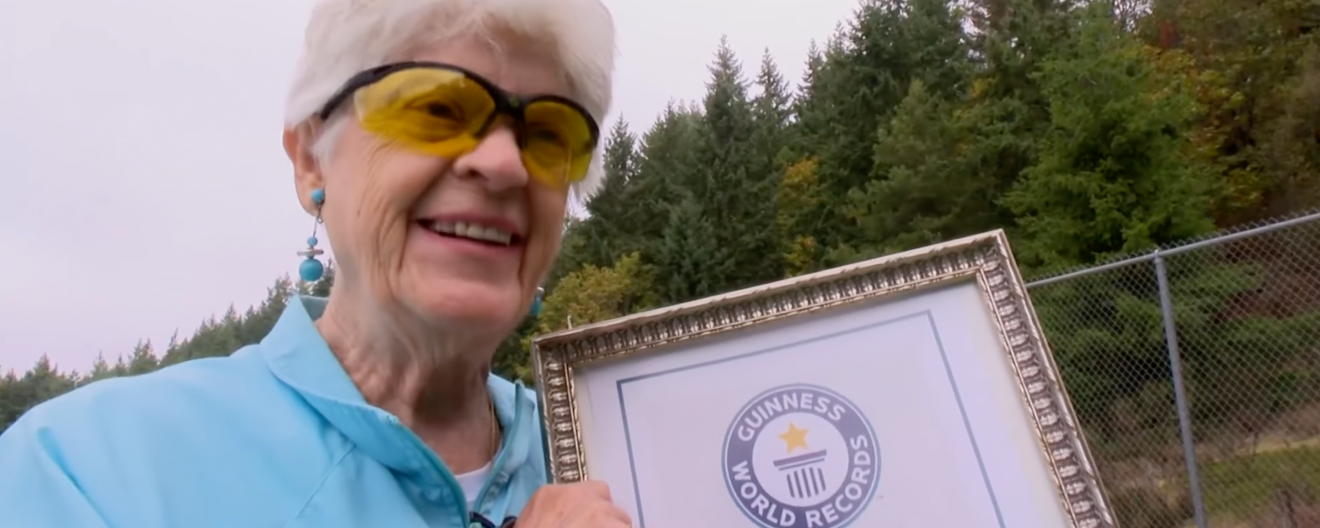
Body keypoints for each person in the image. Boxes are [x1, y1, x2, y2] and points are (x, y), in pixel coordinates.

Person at [0, 0, 630, 526]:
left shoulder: (630, 450)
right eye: (437, 108)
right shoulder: (93, 471)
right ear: (310, 160)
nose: (503, 164)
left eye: (549, 133)